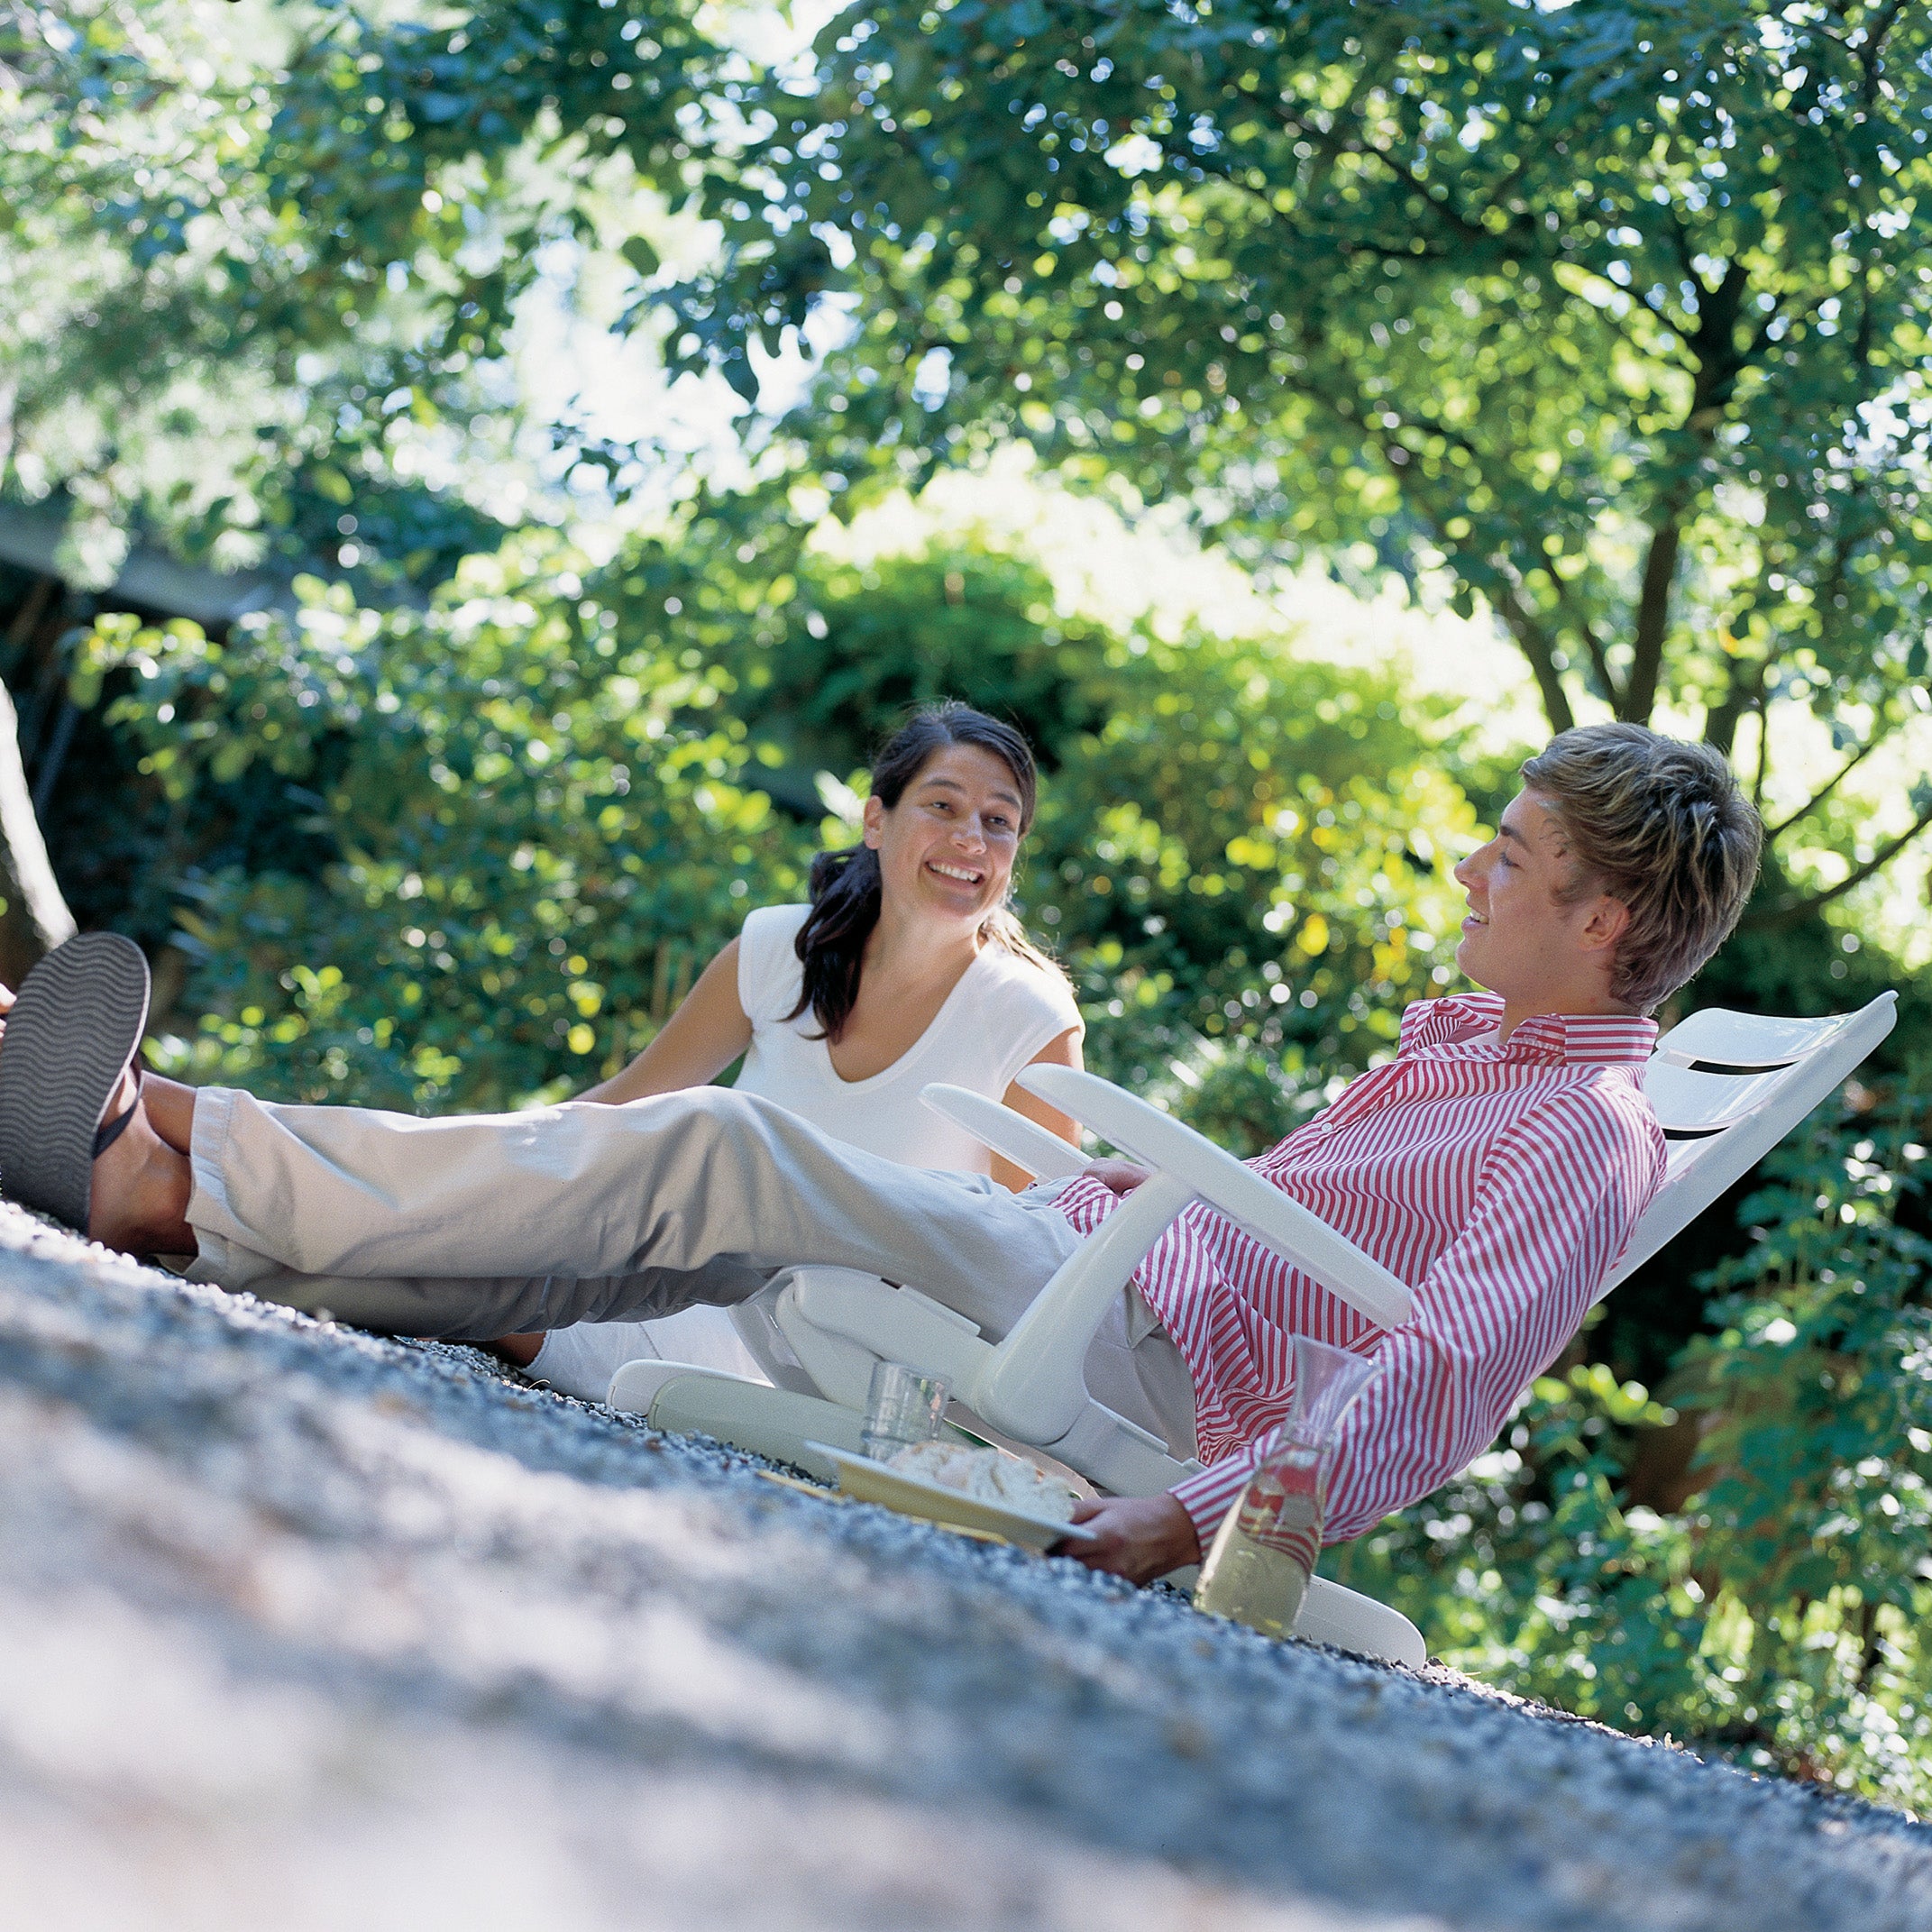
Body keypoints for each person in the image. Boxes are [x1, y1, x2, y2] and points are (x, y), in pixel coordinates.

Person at [2, 723, 1763, 1588]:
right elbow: (1261, 1233)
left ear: (1602, 916)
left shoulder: (1579, 1132)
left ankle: (175, 1163)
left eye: (1511, 857)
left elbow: (1443, 1381)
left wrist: (1185, 1520)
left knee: (718, 1154)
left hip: (1151, 1377)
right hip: (1106, 1275)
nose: (1473, 866)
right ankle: (179, 1185)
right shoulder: (1472, 1049)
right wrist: (1085, 1200)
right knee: (697, 1180)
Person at [495, 702, 1085, 1398]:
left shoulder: (1029, 1018)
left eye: (998, 821)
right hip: (676, 1277)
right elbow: (624, 1103)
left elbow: (1027, 1267)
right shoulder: (779, 951)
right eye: (942, 805)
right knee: (457, 1258)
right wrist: (474, 1163)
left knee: (492, 1296)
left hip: (830, 1363)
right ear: (875, 820)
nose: (970, 840)